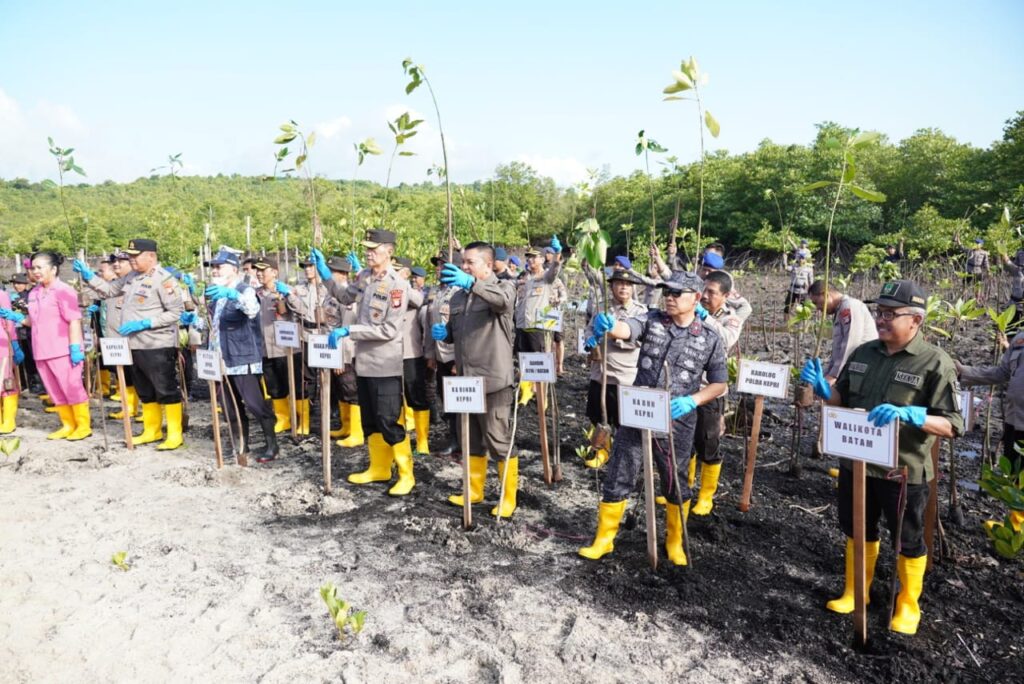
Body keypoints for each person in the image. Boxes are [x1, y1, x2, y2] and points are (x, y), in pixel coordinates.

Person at [801, 279, 963, 636]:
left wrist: (913, 415)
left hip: (901, 471)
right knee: (857, 527)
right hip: (856, 463)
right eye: (880, 312)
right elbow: (840, 400)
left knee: (907, 538)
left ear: (916, 321)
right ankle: (856, 590)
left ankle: (908, 604)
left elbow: (953, 425)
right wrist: (824, 390)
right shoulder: (864, 353)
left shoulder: (935, 362)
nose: (881, 319)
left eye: (891, 314)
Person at [578, 271, 728, 566]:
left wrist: (693, 401)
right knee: (620, 471)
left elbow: (719, 383)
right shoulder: (652, 319)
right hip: (638, 411)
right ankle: (604, 539)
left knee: (675, 480)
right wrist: (610, 326)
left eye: (676, 293)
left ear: (696, 298)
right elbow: (627, 329)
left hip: (677, 421)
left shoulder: (709, 337)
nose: (669, 298)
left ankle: (674, 542)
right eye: (666, 292)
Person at [315, 229, 415, 496]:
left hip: (386, 364)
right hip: (365, 363)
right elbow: (346, 297)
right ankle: (379, 468)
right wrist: (325, 275)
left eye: (374, 248)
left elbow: (388, 330)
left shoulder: (397, 285)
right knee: (370, 419)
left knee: (388, 419)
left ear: (389, 252)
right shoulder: (364, 277)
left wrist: (350, 331)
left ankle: (406, 474)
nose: (369, 253)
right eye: (367, 248)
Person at [431, 242, 519, 516]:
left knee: (498, 439)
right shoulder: (458, 297)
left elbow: (502, 303)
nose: (464, 266)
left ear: (489, 264)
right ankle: (474, 491)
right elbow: (458, 333)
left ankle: (507, 497)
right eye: (463, 262)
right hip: (466, 383)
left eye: (470, 262)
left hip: (493, 381)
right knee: (470, 439)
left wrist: (471, 282)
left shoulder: (504, 288)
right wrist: (444, 333)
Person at [75, 239, 185, 450]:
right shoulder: (131, 277)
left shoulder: (164, 280)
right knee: (145, 389)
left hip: (156, 344)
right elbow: (107, 290)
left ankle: (174, 434)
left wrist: (146, 322)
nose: (131, 260)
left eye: (136, 256)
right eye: (130, 256)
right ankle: (151, 430)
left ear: (151, 256)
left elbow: (175, 312)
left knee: (165, 389)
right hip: (132, 344)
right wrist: (89, 276)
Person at [197, 249, 279, 463]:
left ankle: (272, 444)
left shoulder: (245, 290)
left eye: (219, 266)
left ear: (233, 269)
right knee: (229, 407)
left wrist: (235, 296)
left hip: (242, 358)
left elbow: (252, 310)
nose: (215, 271)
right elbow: (213, 325)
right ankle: (240, 445)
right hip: (220, 358)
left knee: (255, 404)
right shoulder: (214, 292)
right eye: (213, 267)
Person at [0, 252, 90, 440]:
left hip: (63, 349)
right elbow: (35, 321)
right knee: (54, 390)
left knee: (71, 387)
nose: (36, 271)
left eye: (40, 267)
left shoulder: (64, 291)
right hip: (42, 349)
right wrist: (18, 318)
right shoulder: (35, 293)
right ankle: (67, 424)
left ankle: (83, 425)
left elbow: (74, 320)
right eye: (33, 268)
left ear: (54, 269)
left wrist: (75, 347)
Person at [687, 270, 745, 515]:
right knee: (685, 442)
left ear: (725, 296)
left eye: (712, 293)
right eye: (705, 291)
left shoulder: (731, 319)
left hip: (711, 391)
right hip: (687, 387)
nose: (706, 297)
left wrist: (705, 319)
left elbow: (726, 340)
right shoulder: (690, 312)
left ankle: (706, 496)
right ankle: (685, 488)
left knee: (707, 442)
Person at [580, 270, 647, 468]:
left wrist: (612, 334)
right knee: (598, 415)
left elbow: (639, 340)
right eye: (619, 283)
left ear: (633, 287)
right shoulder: (603, 308)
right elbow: (589, 329)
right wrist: (590, 340)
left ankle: (624, 456)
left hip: (625, 376)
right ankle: (602, 451)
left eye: (627, 284)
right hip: (601, 373)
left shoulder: (640, 312)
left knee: (623, 421)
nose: (623, 287)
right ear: (611, 286)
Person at [956, 329, 1023, 494]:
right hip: (1014, 423)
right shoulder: (1020, 339)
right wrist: (964, 372)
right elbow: (1002, 373)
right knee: (1015, 483)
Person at [254, 256, 307, 434]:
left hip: (287, 349)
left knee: (297, 386)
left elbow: (303, 311)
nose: (259, 274)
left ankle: (303, 421)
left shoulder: (288, 290)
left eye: (263, 270)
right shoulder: (256, 294)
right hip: (266, 348)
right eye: (257, 270)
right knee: (274, 387)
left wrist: (288, 295)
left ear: (274, 272)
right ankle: (283, 418)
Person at [513, 236, 562, 403]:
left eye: (534, 257)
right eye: (529, 257)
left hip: (537, 327)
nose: (531, 260)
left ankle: (543, 398)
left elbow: (555, 269)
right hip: (521, 325)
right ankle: (526, 392)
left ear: (542, 259)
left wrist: (557, 253)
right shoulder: (524, 278)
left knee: (540, 364)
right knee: (523, 361)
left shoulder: (545, 278)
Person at [424, 251, 462, 456]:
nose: (438, 268)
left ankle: (463, 440)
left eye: (442, 265)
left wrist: (459, 360)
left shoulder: (460, 292)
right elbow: (430, 324)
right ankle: (454, 438)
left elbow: (463, 329)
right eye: (437, 265)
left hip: (455, 355)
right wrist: (430, 354)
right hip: (440, 354)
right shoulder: (437, 292)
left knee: (460, 401)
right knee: (446, 399)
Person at [323, 256, 362, 447]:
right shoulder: (330, 295)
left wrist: (339, 358)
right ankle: (346, 427)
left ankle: (357, 432)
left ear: (343, 274)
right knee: (341, 390)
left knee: (351, 389)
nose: (329, 276)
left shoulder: (348, 297)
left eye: (332, 272)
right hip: (333, 349)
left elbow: (346, 331)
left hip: (347, 351)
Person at [807, 280, 878, 385]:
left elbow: (850, 344)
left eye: (816, 302)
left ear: (825, 295)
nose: (817, 308)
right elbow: (838, 353)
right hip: (852, 370)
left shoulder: (848, 307)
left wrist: (833, 376)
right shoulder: (840, 309)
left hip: (863, 370)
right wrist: (824, 376)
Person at [399, 262, 429, 454]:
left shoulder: (411, 291)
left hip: (411, 352)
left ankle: (422, 442)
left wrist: (400, 284)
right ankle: (401, 440)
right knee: (395, 398)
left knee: (416, 396)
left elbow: (418, 300)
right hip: (390, 355)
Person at [9, 273, 40, 393]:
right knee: (22, 358)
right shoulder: (11, 297)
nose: (17, 286)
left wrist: (22, 305)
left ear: (26, 284)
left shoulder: (30, 295)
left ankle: (37, 383)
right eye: (15, 283)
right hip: (17, 332)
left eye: (20, 283)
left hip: (29, 330)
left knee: (32, 357)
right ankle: (24, 383)